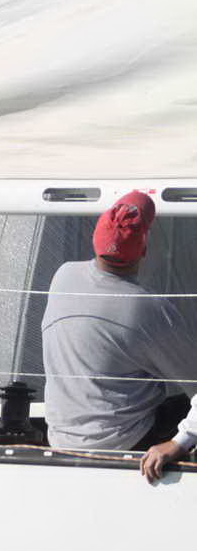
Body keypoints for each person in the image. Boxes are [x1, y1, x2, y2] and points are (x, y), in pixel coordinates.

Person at [41, 191, 197, 479]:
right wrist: (178, 443)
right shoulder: (148, 308)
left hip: (61, 440)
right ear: (144, 250)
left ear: (94, 239)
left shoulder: (63, 276)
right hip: (127, 443)